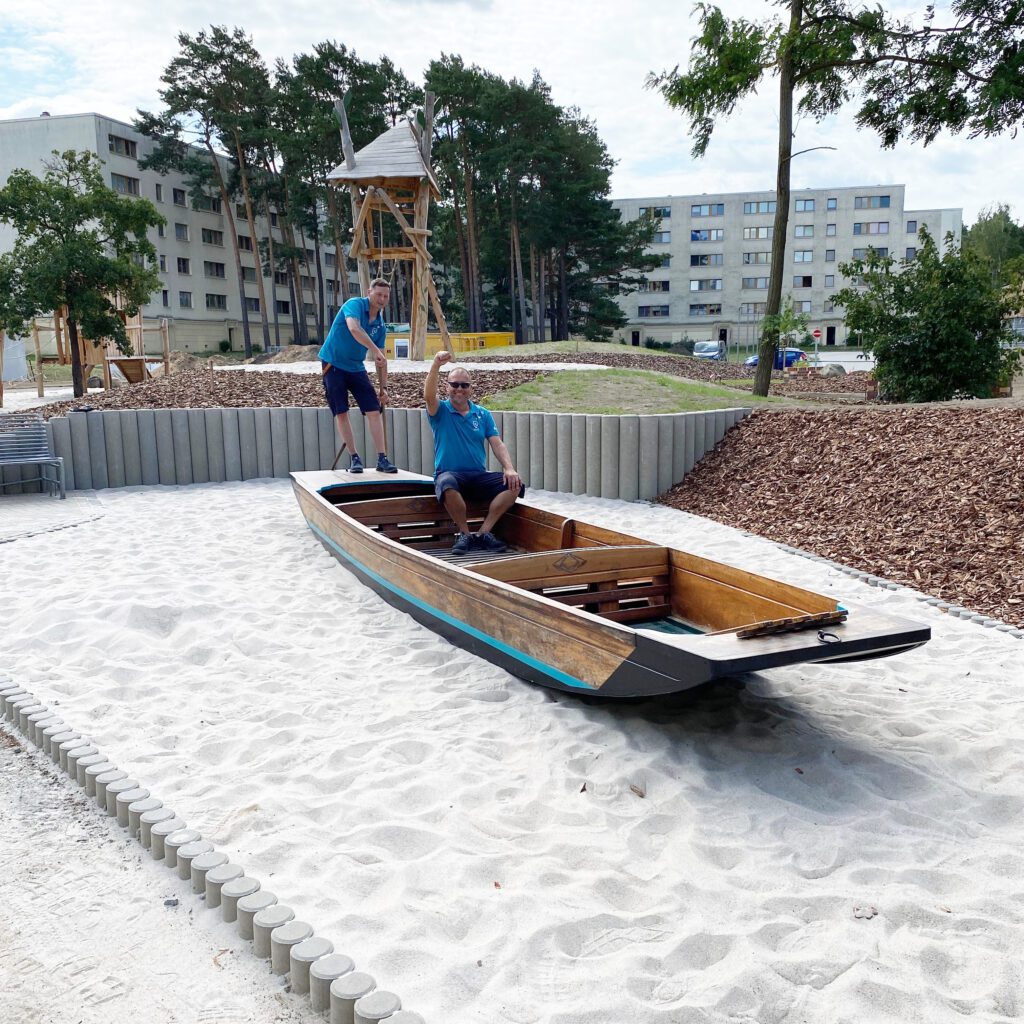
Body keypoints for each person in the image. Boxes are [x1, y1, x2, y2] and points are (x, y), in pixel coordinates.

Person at [424, 351, 523, 555]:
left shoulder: (482, 414)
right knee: (446, 483)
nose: (459, 389)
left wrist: (509, 468)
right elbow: (428, 396)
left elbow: (497, 444)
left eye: (464, 385)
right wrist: (435, 365)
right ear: (447, 387)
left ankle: (484, 533)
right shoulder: (440, 411)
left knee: (515, 484)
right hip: (450, 474)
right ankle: (465, 534)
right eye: (454, 384)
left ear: (471, 389)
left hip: (477, 475)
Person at [318, 278, 398, 474]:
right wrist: (374, 350)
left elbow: (381, 359)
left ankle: (382, 458)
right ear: (369, 292)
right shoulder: (354, 304)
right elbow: (354, 328)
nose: (382, 299)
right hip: (333, 364)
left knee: (374, 410)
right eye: (378, 294)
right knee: (341, 411)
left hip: (355, 367)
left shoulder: (380, 325)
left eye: (386, 296)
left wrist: (384, 388)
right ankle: (354, 457)